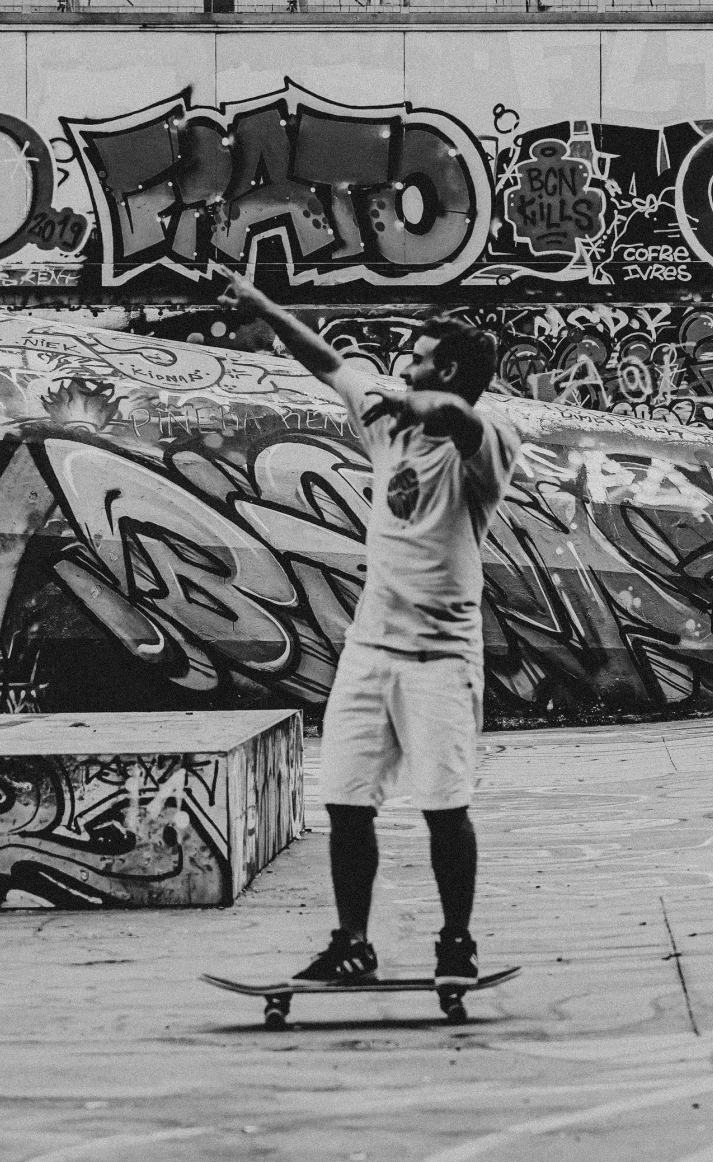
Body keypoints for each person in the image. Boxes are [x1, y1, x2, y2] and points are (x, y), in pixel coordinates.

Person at [215, 266, 523, 989]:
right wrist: (263, 304)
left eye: (414, 356)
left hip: (441, 656)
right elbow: (324, 359)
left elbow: (459, 418)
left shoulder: (487, 445)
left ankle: (456, 942)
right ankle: (351, 941)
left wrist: (420, 400)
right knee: (346, 800)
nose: (400, 366)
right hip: (369, 647)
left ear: (443, 368)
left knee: (446, 807)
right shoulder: (385, 417)